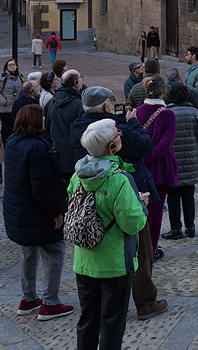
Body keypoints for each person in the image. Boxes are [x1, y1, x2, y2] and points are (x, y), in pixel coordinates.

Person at [70, 86, 167, 321]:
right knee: (140, 250)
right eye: (111, 101)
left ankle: (102, 302)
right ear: (106, 106)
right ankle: (144, 302)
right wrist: (131, 123)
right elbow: (145, 146)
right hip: (128, 190)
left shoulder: (78, 128)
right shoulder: (117, 135)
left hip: (91, 200)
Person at [70, 119, 148, 349]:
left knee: (88, 319)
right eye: (117, 134)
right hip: (114, 264)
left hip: (84, 262)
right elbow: (132, 223)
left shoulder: (78, 175)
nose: (120, 135)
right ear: (110, 148)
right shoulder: (119, 180)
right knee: (112, 323)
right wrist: (141, 204)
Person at [3, 105, 73, 321]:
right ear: (35, 121)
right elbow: (42, 187)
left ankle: (28, 298)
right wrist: (56, 214)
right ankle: (50, 302)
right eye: (42, 117)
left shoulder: (13, 142)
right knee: (55, 252)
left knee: (28, 252)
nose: (45, 120)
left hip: (19, 212)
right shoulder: (38, 148)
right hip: (37, 214)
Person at [136, 76, 178, 260]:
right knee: (156, 210)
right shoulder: (167, 114)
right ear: (163, 93)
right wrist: (151, 156)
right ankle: (151, 247)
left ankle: (138, 245)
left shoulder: (137, 111)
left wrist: (142, 157)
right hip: (160, 168)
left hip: (139, 167)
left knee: (139, 208)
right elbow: (165, 143)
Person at [162, 81, 198, 240]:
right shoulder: (195, 113)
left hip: (173, 162)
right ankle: (190, 226)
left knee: (173, 195)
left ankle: (176, 228)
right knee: (189, 194)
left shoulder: (167, 113)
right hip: (191, 161)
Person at [46, 69, 84, 182]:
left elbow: (46, 128)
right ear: (75, 83)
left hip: (56, 153)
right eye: (80, 78)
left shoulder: (51, 102)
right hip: (74, 157)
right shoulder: (79, 104)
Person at [0, 58, 24, 148]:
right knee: (6, 128)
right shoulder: (3, 77)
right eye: (10, 65)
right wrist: (5, 102)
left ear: (16, 66)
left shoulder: (20, 77)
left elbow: (22, 90)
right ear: (6, 67)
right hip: (5, 108)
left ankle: (14, 145)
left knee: (16, 127)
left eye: (13, 64)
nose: (12, 66)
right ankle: (6, 146)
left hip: (16, 107)